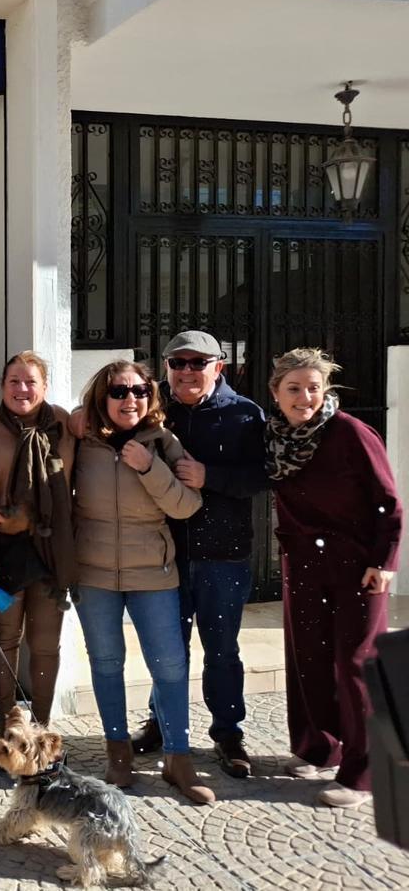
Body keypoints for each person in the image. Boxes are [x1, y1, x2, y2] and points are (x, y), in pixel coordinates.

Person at [72, 359, 213, 805]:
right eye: (118, 392)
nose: (129, 399)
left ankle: (178, 758)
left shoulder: (162, 442)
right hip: (94, 573)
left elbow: (186, 507)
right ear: (102, 397)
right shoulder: (81, 440)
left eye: (137, 391)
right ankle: (118, 753)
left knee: (169, 665)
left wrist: (149, 466)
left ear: (149, 396)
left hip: (153, 573)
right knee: (107, 662)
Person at [127, 331, 267, 779]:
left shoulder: (245, 415)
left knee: (221, 650)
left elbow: (264, 477)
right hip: (165, 552)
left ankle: (228, 732)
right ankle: (161, 722)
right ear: (166, 366)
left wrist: (211, 476)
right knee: (168, 649)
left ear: (218, 366)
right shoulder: (153, 410)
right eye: (178, 362)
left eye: (197, 362)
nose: (187, 371)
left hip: (222, 555)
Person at [266, 348, 402, 809]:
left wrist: (385, 561)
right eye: (294, 388)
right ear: (276, 393)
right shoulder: (276, 438)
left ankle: (363, 772)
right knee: (309, 658)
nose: (305, 397)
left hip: (358, 568)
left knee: (356, 664)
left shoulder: (350, 433)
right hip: (303, 564)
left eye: (313, 387)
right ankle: (319, 747)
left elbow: (389, 502)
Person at [0, 351, 76, 730]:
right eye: (14, 381)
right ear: (2, 385)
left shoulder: (66, 424)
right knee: (6, 640)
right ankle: (9, 727)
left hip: (51, 553)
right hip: (5, 554)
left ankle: (42, 727)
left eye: (31, 381)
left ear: (45, 386)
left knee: (46, 646)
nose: (22, 389)